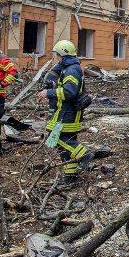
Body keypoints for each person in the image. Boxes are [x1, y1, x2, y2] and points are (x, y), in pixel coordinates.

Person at [37, 40, 91, 184]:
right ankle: (70, 176)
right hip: (64, 111)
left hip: (68, 112)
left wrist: (49, 92)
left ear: (64, 55)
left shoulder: (72, 69)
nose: (57, 58)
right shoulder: (68, 68)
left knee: (57, 139)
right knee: (63, 145)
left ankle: (85, 154)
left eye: (58, 56)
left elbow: (69, 91)